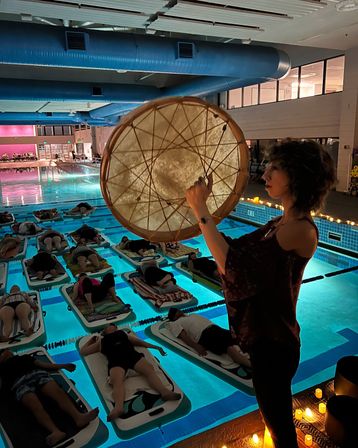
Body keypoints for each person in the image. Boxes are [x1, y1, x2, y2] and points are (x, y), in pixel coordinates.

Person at [185, 139, 336, 448]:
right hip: (268, 342)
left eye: (275, 168)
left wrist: (201, 210)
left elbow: (234, 267)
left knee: (280, 428)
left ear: (296, 176)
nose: (265, 175)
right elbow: (235, 250)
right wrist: (204, 213)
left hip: (275, 347)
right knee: (275, 419)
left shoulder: (300, 229)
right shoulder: (279, 222)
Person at [80, 324, 181, 421]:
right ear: (104, 332)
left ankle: (164, 392)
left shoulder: (122, 333)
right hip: (116, 361)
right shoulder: (101, 341)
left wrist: (156, 347)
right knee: (116, 382)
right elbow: (83, 351)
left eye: (110, 325)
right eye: (106, 327)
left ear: (115, 327)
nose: (108, 327)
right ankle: (118, 407)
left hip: (133, 356)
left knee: (149, 370)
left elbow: (140, 342)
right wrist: (91, 340)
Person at [0, 348, 99, 446]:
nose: (7, 351)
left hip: (37, 374)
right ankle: (55, 431)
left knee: (58, 393)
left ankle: (79, 417)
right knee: (35, 406)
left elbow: (45, 365)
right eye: (2, 352)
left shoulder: (25, 357)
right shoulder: (2, 369)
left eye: (6, 350)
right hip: (19, 383)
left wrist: (64, 365)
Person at [167, 308, 251, 366]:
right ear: (174, 317)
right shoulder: (175, 323)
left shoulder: (192, 315)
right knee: (228, 348)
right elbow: (183, 336)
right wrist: (196, 346)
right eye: (176, 312)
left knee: (238, 338)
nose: (179, 311)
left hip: (215, 328)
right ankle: (249, 364)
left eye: (177, 310)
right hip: (205, 335)